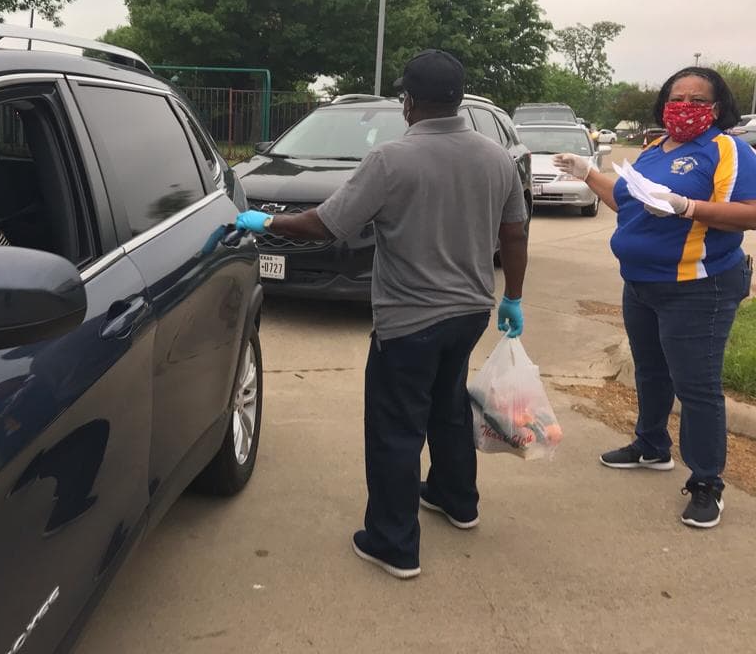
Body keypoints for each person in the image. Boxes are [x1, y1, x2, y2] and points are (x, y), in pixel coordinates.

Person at [234, 49, 529, 578]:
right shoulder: (497, 158)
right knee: (448, 408)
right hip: (470, 313)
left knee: (395, 429)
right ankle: (456, 501)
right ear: (459, 99)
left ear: (408, 101)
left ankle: (393, 544)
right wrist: (515, 296)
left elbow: (328, 225)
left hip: (409, 321)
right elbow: (515, 232)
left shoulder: (390, 160)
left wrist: (265, 223)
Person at [554, 66, 756, 529]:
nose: (683, 105)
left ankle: (707, 481)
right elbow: (628, 202)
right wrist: (588, 174)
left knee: (696, 385)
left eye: (695, 99)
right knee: (650, 369)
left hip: (696, 286)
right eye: (675, 96)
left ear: (717, 107)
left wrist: (688, 207)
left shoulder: (727, 150)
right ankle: (651, 445)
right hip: (642, 283)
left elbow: (749, 213)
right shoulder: (652, 150)